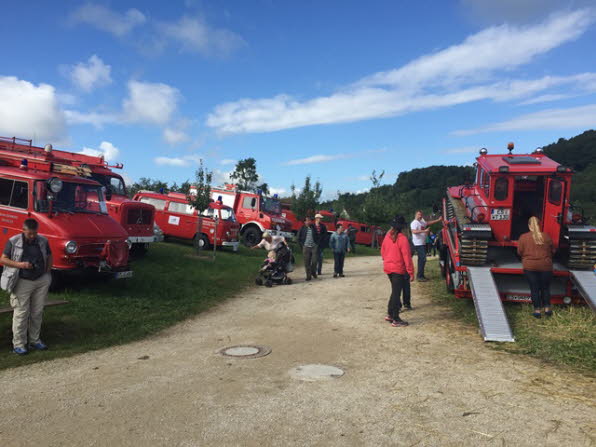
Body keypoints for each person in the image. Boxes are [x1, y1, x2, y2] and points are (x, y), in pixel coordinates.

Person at [1, 219, 53, 355]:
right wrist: (21, 265)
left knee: (37, 311)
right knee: (21, 313)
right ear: (23, 230)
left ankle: (35, 340)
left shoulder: (43, 240)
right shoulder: (14, 241)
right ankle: (18, 344)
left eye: (35, 233)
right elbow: (3, 259)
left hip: (41, 280)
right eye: (30, 233)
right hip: (22, 280)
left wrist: (47, 272)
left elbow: (49, 255)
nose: (33, 236)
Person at [517, 217, 555, 318]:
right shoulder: (546, 236)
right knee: (545, 288)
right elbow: (553, 251)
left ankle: (537, 311)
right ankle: (547, 309)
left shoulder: (523, 237)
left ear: (529, 226)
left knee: (534, 289)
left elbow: (519, 252)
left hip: (530, 267)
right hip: (546, 266)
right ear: (539, 225)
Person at [381, 216, 414, 327]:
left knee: (394, 291)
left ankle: (390, 314)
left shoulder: (387, 236)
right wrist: (410, 272)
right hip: (398, 268)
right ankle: (396, 318)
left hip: (389, 268)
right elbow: (407, 257)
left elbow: (383, 251)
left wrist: (387, 260)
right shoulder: (402, 239)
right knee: (396, 293)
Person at [410, 211, 441, 281]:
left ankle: (420, 275)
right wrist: (424, 231)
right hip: (418, 243)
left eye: (421, 214)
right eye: (418, 214)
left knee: (422, 259)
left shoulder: (422, 221)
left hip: (422, 243)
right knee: (423, 259)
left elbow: (428, 223)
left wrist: (438, 220)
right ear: (415, 215)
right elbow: (414, 231)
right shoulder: (414, 222)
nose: (420, 216)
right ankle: (420, 276)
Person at [297, 216, 322, 281]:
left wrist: (317, 244)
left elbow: (318, 236)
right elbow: (298, 238)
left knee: (315, 261)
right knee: (307, 262)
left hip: (314, 247)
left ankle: (313, 272)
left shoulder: (313, 228)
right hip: (306, 247)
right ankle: (308, 276)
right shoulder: (302, 228)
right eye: (307, 220)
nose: (308, 221)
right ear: (304, 222)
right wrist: (302, 246)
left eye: (309, 220)